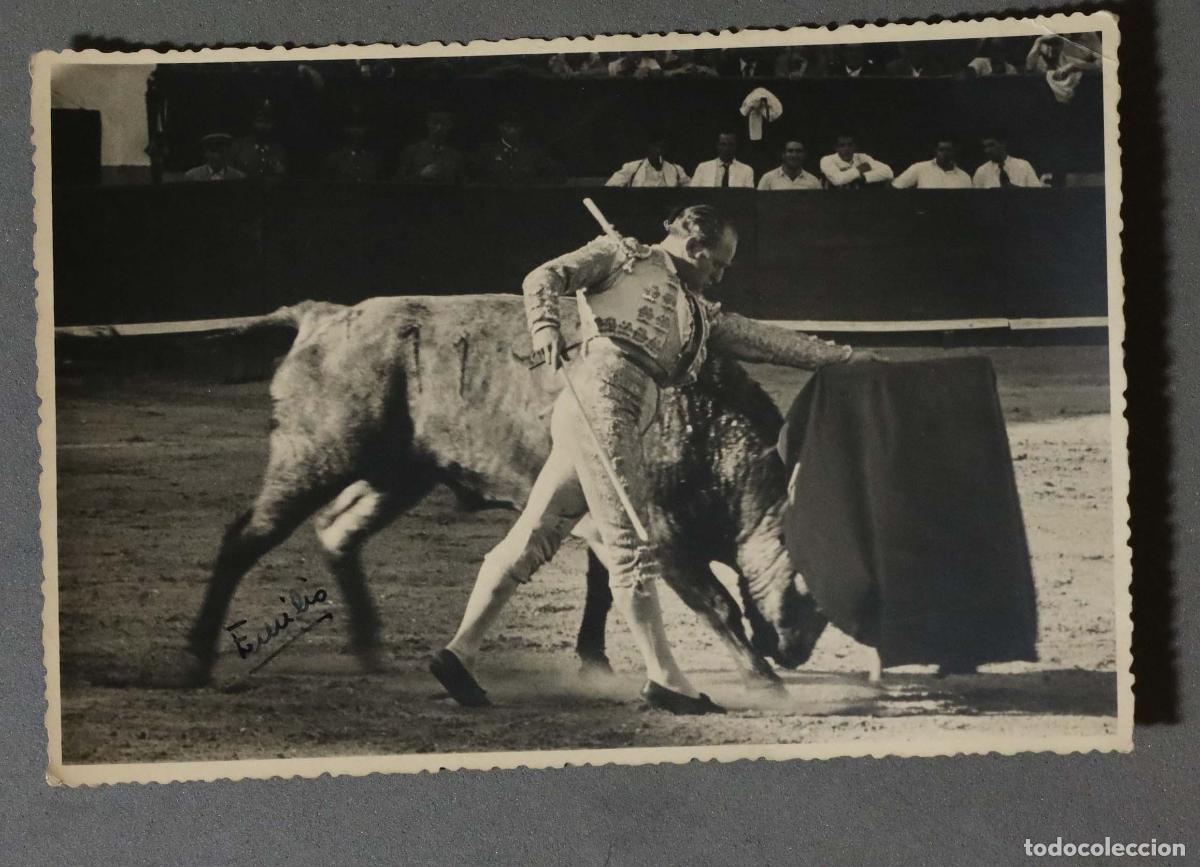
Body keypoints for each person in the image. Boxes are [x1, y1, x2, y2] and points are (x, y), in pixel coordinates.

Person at [430, 205, 873, 714]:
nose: (720, 275)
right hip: (604, 400)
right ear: (696, 249)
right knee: (633, 544)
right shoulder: (620, 256)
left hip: (612, 412)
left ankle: (459, 652)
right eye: (719, 264)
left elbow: (762, 340)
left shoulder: (696, 309)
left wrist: (845, 358)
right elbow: (544, 276)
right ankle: (665, 678)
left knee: (538, 532)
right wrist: (545, 327)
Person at [471, 116, 562, 186]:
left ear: (521, 129)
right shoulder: (487, 150)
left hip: (528, 199)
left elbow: (555, 172)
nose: (512, 130)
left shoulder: (533, 151)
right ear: (500, 128)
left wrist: (537, 183)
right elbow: (472, 174)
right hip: (494, 200)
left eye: (516, 127)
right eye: (508, 126)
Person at [394, 109, 463, 185]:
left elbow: (463, 185)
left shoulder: (455, 156)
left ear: (450, 127)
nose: (439, 128)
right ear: (428, 124)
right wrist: (419, 175)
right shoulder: (412, 152)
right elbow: (397, 183)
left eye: (444, 124)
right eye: (435, 123)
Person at [231, 100, 288, 177]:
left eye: (267, 122)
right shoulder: (239, 146)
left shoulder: (279, 149)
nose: (263, 126)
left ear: (273, 124)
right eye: (259, 121)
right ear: (252, 122)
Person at [606, 135, 690, 187]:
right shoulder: (632, 168)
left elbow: (692, 189)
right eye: (655, 147)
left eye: (661, 147)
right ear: (648, 149)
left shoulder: (676, 170)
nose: (658, 151)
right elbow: (610, 187)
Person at [322, 116, 384, 182]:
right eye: (352, 127)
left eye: (360, 127)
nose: (356, 131)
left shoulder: (373, 159)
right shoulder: (334, 160)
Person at [893, 138, 973, 189]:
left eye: (948, 150)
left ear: (954, 151)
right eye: (941, 150)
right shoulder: (919, 168)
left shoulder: (964, 177)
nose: (945, 154)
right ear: (935, 151)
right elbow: (896, 187)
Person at [819, 134, 894, 188]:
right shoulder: (827, 160)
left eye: (850, 145)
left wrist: (863, 177)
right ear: (836, 148)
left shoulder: (863, 157)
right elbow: (838, 180)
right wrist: (859, 170)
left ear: (855, 146)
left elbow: (889, 172)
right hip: (834, 199)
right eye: (842, 145)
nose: (846, 148)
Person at [972, 135, 1044, 188]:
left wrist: (1018, 192)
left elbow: (1036, 194)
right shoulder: (981, 172)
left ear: (1003, 144)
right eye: (985, 147)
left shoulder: (1023, 166)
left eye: (991, 145)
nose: (987, 151)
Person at [690, 132, 754, 188]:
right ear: (717, 145)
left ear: (736, 146)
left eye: (731, 145)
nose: (727, 149)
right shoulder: (703, 168)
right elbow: (693, 193)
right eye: (723, 144)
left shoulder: (747, 170)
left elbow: (749, 197)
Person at [757, 139, 823, 190]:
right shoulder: (768, 178)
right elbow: (759, 203)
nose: (794, 155)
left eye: (799, 151)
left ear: (804, 155)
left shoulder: (813, 181)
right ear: (783, 155)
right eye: (790, 151)